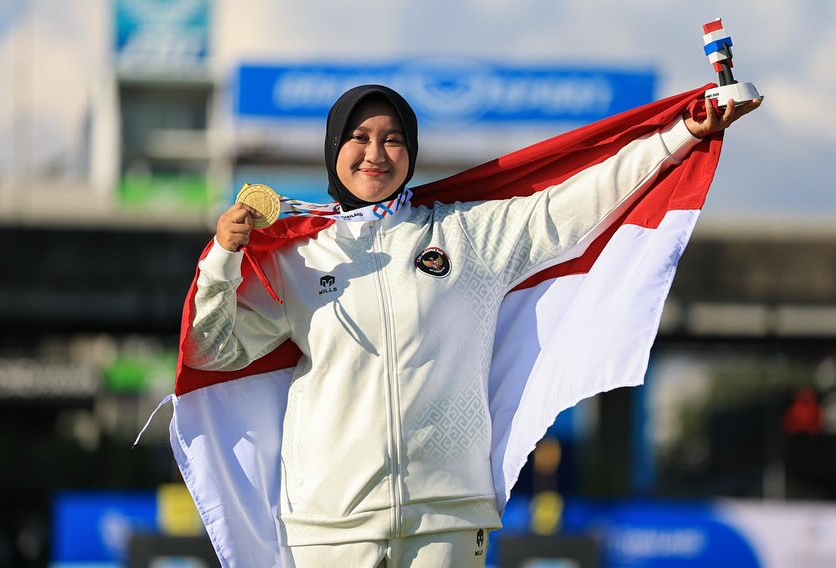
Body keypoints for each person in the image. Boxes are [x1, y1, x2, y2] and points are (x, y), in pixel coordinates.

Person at [181, 84, 761, 567]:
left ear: (412, 151)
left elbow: (578, 202)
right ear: (334, 148)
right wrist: (221, 261)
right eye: (358, 138)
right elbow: (212, 351)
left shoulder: (468, 236)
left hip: (449, 517)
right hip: (328, 524)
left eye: (393, 139)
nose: (375, 153)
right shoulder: (299, 259)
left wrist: (684, 132)